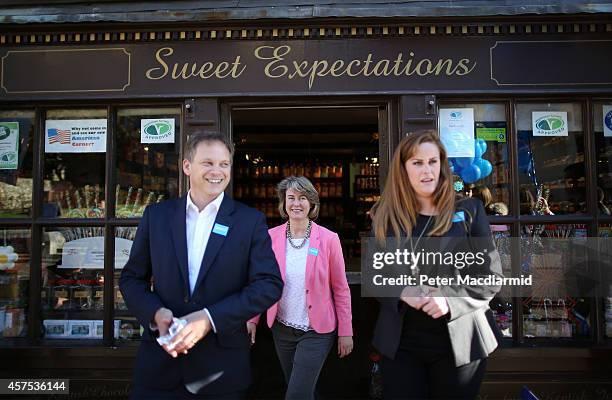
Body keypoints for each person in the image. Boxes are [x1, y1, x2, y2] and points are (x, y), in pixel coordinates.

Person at [119, 131, 283, 399]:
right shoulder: (157, 216)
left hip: (222, 372)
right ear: (187, 166)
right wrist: (155, 313)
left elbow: (269, 285)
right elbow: (131, 278)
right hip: (160, 366)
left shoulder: (249, 221)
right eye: (208, 163)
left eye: (224, 164)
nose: (217, 171)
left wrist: (209, 318)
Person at [370, 130, 503, 399]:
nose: (427, 170)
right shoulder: (385, 215)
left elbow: (491, 276)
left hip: (461, 342)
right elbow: (375, 274)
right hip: (401, 345)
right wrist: (402, 292)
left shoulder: (470, 209)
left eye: (433, 161)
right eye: (417, 162)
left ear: (442, 164)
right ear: (403, 169)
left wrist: (449, 299)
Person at [248, 175, 353, 400]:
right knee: (302, 388)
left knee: (296, 394)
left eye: (303, 198)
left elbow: (341, 289)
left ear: (312, 203)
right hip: (282, 329)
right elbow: (261, 282)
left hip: (317, 331)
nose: (297, 203)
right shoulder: (269, 237)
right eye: (291, 198)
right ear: (283, 203)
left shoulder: (328, 239)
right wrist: (252, 319)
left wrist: (346, 331)